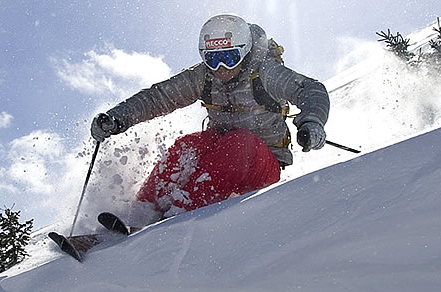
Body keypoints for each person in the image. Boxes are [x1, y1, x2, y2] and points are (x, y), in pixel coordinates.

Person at [92, 13, 331, 223]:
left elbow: (311, 90)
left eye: (229, 58)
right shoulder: (204, 77)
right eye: (213, 59)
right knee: (189, 145)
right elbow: (159, 97)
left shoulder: (265, 72)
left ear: (245, 52)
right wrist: (117, 117)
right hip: (219, 158)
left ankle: (180, 214)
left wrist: (312, 121)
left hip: (261, 165)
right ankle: (141, 212)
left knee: (239, 142)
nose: (221, 68)